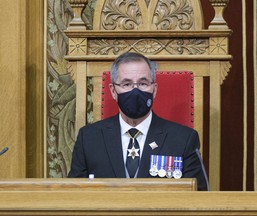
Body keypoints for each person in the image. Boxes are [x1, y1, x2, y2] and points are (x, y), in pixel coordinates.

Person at [68, 52, 209, 191]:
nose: (135, 91)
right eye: (127, 84)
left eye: (143, 83)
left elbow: (198, 197)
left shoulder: (183, 139)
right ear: (113, 91)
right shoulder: (89, 138)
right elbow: (73, 195)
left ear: (154, 89)